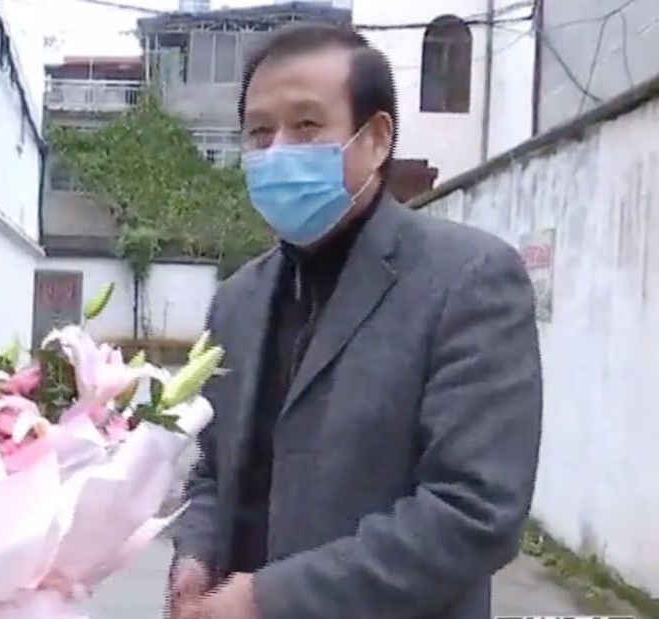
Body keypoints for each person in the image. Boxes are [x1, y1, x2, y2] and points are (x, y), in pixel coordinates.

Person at [168, 24, 542, 619]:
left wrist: (271, 599)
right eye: (259, 133)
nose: (277, 152)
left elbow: (474, 511)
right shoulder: (238, 300)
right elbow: (213, 471)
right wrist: (195, 556)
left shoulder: (467, 280)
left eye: (306, 126)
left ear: (375, 138)